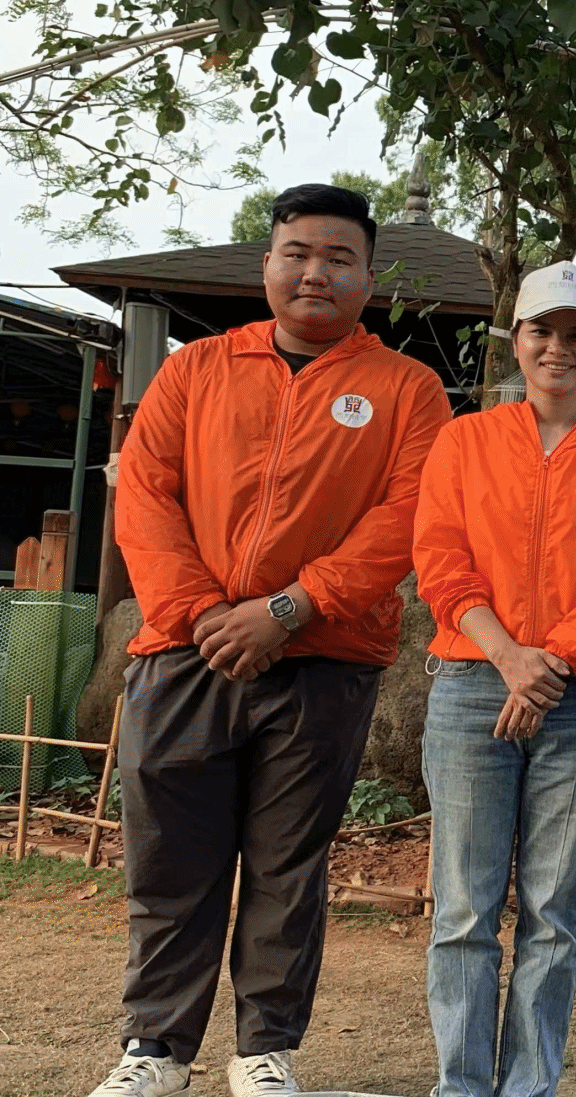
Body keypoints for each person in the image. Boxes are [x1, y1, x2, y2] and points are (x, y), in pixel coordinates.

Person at [96, 185, 451, 1097]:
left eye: (338, 257)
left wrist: (290, 608)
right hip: (185, 650)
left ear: (368, 277)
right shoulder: (196, 368)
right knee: (170, 860)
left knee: (288, 865)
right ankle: (155, 1049)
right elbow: (145, 491)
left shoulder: (407, 389)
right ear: (267, 265)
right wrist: (202, 615)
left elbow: (407, 517)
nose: (314, 272)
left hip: (325, 659)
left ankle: (264, 1049)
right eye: (297, 252)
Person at [411, 262, 576, 1097]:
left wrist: (546, 666)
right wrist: (509, 657)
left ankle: (529, 1086)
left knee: (554, 914)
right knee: (464, 910)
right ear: (516, 340)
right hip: (472, 686)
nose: (559, 347)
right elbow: (439, 559)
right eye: (542, 331)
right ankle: (461, 1084)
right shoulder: (465, 439)